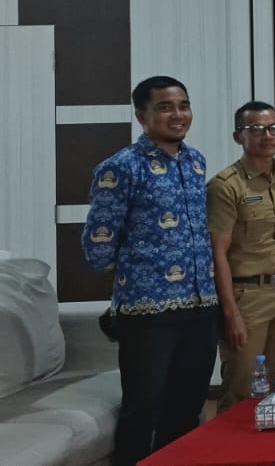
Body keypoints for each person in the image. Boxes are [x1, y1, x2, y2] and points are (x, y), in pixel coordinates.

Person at [83, 76, 218, 466]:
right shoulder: (120, 167)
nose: (177, 114)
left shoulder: (195, 162)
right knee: (144, 405)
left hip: (200, 305)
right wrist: (139, 269)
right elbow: (98, 244)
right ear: (142, 116)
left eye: (183, 106)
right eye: (164, 107)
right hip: (147, 311)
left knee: (188, 404)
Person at [206, 101, 275, 413]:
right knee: (242, 385)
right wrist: (231, 313)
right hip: (247, 297)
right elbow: (217, 254)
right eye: (257, 129)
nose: (268, 135)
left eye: (274, 127)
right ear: (239, 136)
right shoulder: (225, 186)